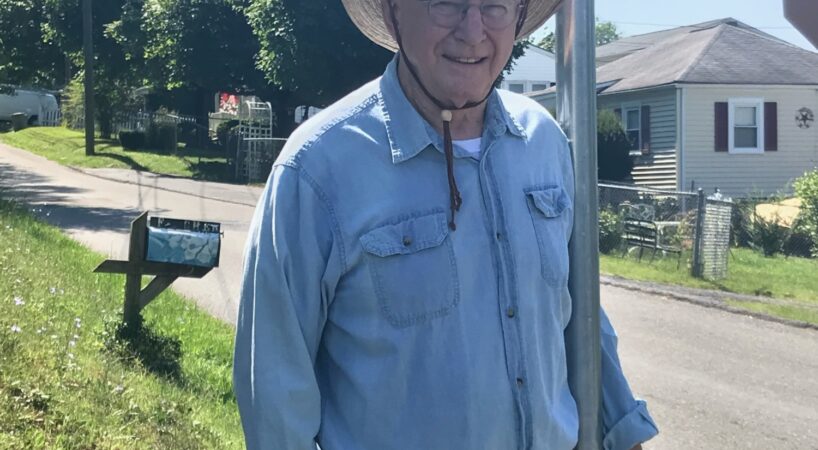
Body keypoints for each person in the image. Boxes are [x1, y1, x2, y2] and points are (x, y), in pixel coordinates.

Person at [233, 0, 659, 449]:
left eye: (494, 6)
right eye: (447, 3)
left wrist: (623, 432)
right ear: (395, 13)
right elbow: (275, 393)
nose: (473, 32)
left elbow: (576, 314)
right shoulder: (317, 168)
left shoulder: (544, 142)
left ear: (518, 17)